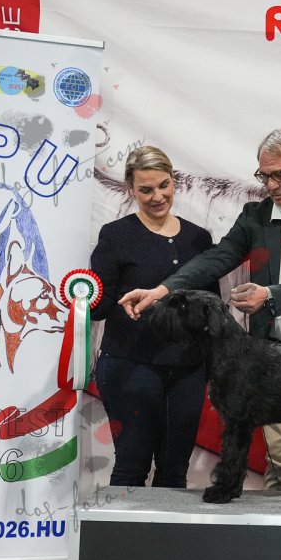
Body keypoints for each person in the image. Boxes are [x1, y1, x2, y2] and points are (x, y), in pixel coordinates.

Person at [119, 128, 281, 494]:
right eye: (264, 176)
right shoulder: (255, 215)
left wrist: (270, 295)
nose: (271, 186)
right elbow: (218, 257)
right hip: (275, 362)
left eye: (280, 174)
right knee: (280, 465)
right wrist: (163, 290)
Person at [90, 146, 216, 488]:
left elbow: (211, 305)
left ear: (173, 181)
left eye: (163, 185)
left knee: (174, 473)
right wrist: (91, 300)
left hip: (188, 370)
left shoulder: (199, 238)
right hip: (129, 365)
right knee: (131, 467)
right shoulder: (115, 235)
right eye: (146, 190)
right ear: (131, 188)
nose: (157, 197)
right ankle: (121, 527)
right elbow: (100, 304)